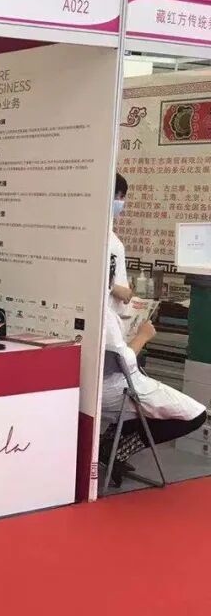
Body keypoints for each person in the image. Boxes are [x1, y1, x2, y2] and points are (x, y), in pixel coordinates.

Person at [100, 296, 206, 488]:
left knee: (145, 406)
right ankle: (118, 451)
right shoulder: (104, 315)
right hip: (117, 387)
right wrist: (143, 336)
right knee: (196, 415)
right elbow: (123, 362)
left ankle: (108, 442)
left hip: (94, 389)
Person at [107, 173, 132, 316]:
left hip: (115, 313)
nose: (122, 202)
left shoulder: (110, 235)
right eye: (120, 197)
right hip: (104, 314)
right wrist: (113, 288)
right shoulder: (94, 235)